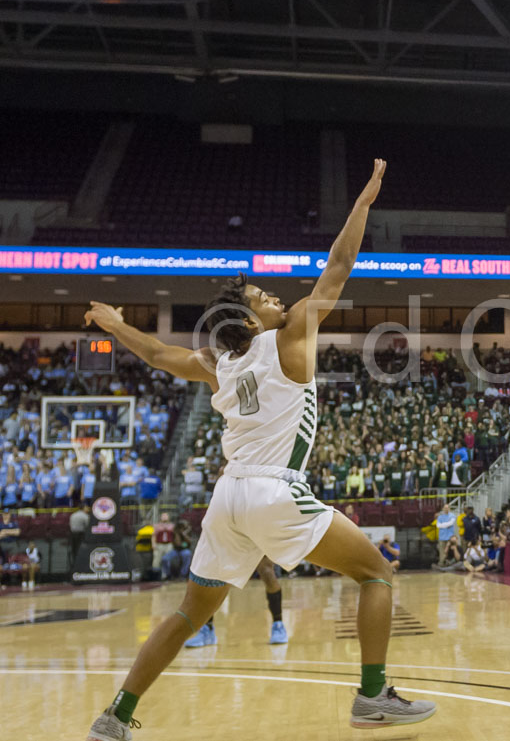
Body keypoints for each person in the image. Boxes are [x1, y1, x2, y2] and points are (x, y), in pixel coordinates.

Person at [82, 159, 434, 741]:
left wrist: (116, 324)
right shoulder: (289, 337)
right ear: (250, 316)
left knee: (189, 612)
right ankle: (373, 696)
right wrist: (364, 204)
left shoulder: (218, 364)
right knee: (376, 574)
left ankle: (114, 716)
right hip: (273, 488)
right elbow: (338, 267)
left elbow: (156, 354)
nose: (277, 297)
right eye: (265, 296)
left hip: (228, 497)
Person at [183, 557, 290, 647]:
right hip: (230, 534)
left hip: (257, 533)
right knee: (213, 573)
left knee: (267, 572)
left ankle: (278, 625)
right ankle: (207, 628)